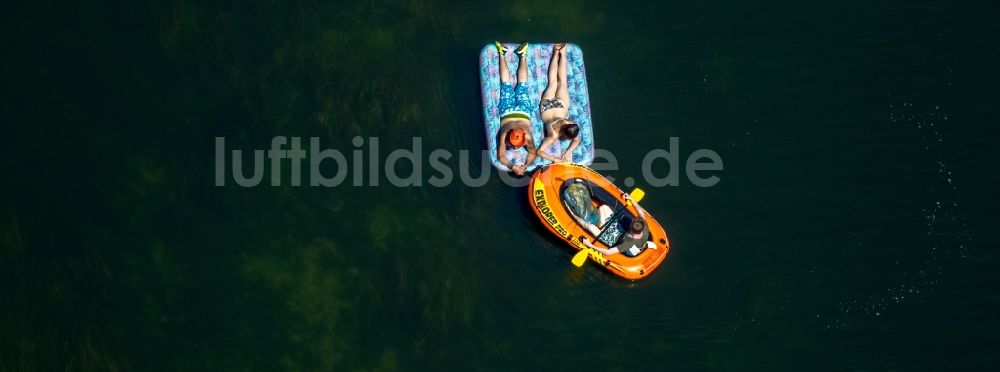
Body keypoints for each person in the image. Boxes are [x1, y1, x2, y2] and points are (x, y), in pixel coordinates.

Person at [494, 41, 537, 176]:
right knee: (506, 84)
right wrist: (521, 166)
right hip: (508, 112)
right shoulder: (526, 136)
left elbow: (502, 156)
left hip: (523, 111)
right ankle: (503, 54)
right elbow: (532, 152)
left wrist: (520, 166)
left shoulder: (506, 134)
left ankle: (522, 55)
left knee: (522, 84)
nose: (515, 147)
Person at [536, 43, 581, 163]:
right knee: (553, 82)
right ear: (565, 136)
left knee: (559, 82)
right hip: (547, 107)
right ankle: (557, 52)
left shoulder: (570, 124)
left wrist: (567, 152)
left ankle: (560, 52)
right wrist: (555, 159)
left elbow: (576, 139)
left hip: (559, 108)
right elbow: (539, 152)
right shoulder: (553, 135)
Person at [576, 193, 652, 257]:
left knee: (590, 226)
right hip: (620, 232)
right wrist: (631, 199)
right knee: (603, 207)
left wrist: (590, 245)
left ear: (631, 227)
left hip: (612, 241)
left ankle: (573, 215)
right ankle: (601, 226)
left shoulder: (628, 243)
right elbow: (641, 213)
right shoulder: (644, 225)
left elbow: (608, 252)